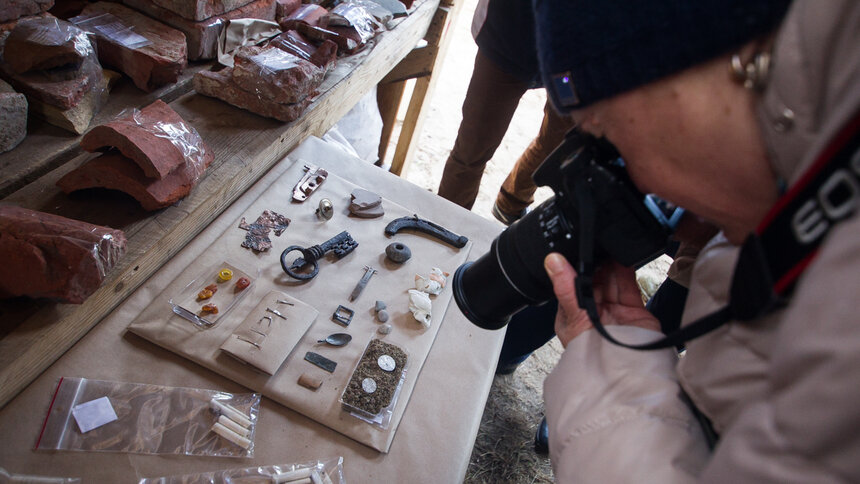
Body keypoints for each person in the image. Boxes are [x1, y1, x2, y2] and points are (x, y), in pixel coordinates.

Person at [529, 0, 860, 481]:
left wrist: (608, 387)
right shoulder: (800, 222)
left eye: (604, 132)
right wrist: (621, 370)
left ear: (736, 65)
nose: (635, 182)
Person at [436, 0, 575, 224]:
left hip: (571, 58)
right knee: (472, 147)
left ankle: (512, 201)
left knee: (562, 136)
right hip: (508, 36)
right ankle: (444, 226)